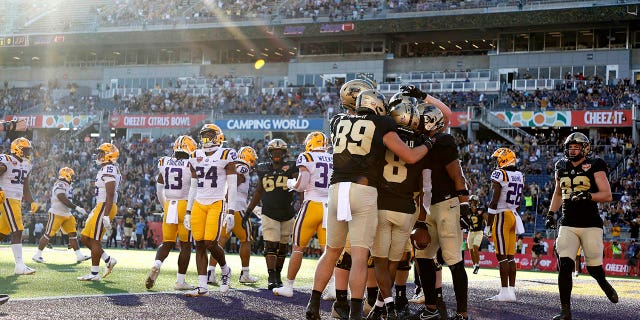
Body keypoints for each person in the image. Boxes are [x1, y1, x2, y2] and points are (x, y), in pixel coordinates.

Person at [306, 87, 434, 320]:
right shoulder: (382, 123)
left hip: (335, 189)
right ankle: (356, 312)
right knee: (359, 256)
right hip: (363, 190)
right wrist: (427, 143)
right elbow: (410, 156)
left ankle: (313, 305)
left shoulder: (337, 121)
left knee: (331, 252)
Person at [546, 132, 618, 320]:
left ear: (585, 149)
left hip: (590, 224)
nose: (573, 150)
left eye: (577, 147)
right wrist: (551, 213)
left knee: (594, 268)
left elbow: (607, 195)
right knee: (565, 265)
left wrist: (588, 195)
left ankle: (603, 283)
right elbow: (558, 192)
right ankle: (565, 311)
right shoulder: (560, 165)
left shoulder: (595, 164)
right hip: (568, 222)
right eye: (570, 147)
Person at [367, 94, 425, 320]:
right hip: (406, 207)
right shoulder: (420, 143)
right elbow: (423, 182)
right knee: (393, 261)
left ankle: (387, 306)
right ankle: (380, 306)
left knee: (380, 261)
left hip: (383, 205)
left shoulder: (384, 137)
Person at [412, 95, 470, 319]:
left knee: (453, 258)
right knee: (423, 257)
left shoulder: (444, 141)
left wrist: (464, 206)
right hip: (427, 206)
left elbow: (458, 175)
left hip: (447, 203)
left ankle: (462, 312)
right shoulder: (419, 143)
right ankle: (431, 307)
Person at [273, 132, 332, 298]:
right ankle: (334, 287)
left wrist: (291, 183)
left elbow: (302, 184)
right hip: (330, 207)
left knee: (298, 249)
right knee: (329, 251)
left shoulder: (307, 156)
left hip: (312, 205)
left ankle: (289, 286)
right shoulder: (333, 158)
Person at [184, 124, 236, 296]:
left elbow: (232, 186)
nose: (206, 139)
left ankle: (225, 269)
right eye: (204, 136)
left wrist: (231, 211)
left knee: (210, 242)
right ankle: (202, 286)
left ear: (218, 137)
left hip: (216, 201)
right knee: (199, 243)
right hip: (199, 202)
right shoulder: (194, 155)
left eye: (209, 135)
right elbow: (192, 186)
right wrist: (188, 211)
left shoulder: (226, 154)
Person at [145, 135, 197, 291]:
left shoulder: (164, 162)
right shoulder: (191, 163)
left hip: (170, 205)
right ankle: (180, 281)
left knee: (167, 243)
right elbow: (195, 187)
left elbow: (159, 189)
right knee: (186, 245)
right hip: (185, 205)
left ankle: (157, 264)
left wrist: (164, 206)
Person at [246, 138, 299, 290]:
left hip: (287, 212)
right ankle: (271, 276)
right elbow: (258, 191)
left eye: (279, 151)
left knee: (283, 247)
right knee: (270, 245)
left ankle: (278, 275)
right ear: (269, 153)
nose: (276, 154)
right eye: (274, 151)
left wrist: (302, 204)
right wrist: (249, 211)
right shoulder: (263, 168)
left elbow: (299, 186)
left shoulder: (291, 167)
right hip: (269, 211)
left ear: (284, 153)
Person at [208, 146, 260, 285]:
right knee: (246, 240)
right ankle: (245, 273)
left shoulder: (231, 164)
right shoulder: (242, 166)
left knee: (220, 241)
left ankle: (211, 272)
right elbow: (237, 179)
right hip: (237, 208)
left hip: (226, 208)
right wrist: (228, 197)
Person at [485, 148, 525, 302]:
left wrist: (488, 225)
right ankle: (511, 291)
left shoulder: (500, 174)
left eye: (498, 159)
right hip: (513, 215)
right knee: (510, 257)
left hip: (502, 215)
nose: (496, 162)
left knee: (502, 257)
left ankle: (504, 292)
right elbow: (519, 201)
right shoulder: (520, 175)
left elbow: (494, 201)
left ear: (503, 159)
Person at [78, 143, 121, 281]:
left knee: (95, 240)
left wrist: (107, 214)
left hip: (105, 206)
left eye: (102, 153)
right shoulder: (105, 168)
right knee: (85, 237)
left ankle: (94, 274)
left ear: (108, 156)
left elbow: (110, 193)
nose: (98, 156)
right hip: (100, 206)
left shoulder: (109, 167)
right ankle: (108, 260)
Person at [32, 167, 91, 264]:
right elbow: (61, 197)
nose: (72, 177)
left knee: (73, 234)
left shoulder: (68, 185)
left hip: (67, 213)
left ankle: (79, 255)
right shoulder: (60, 184)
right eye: (71, 175)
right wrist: (77, 208)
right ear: (66, 175)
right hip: (57, 213)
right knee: (48, 234)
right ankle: (37, 255)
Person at [0, 137, 39, 275]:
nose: (28, 152)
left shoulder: (27, 164)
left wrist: (32, 201)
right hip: (6, 198)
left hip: (16, 200)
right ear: (17, 148)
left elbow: (25, 187)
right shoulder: (7, 160)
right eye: (25, 149)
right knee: (18, 230)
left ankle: (20, 265)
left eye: (28, 149)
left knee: (2, 232)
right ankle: (19, 265)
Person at [467, 195, 485, 274]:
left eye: (474, 202)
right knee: (471, 250)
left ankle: (477, 264)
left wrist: (488, 227)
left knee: (475, 247)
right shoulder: (467, 210)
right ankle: (474, 265)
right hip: (470, 232)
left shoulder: (480, 209)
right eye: (471, 201)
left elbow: (486, 217)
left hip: (478, 232)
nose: (472, 203)